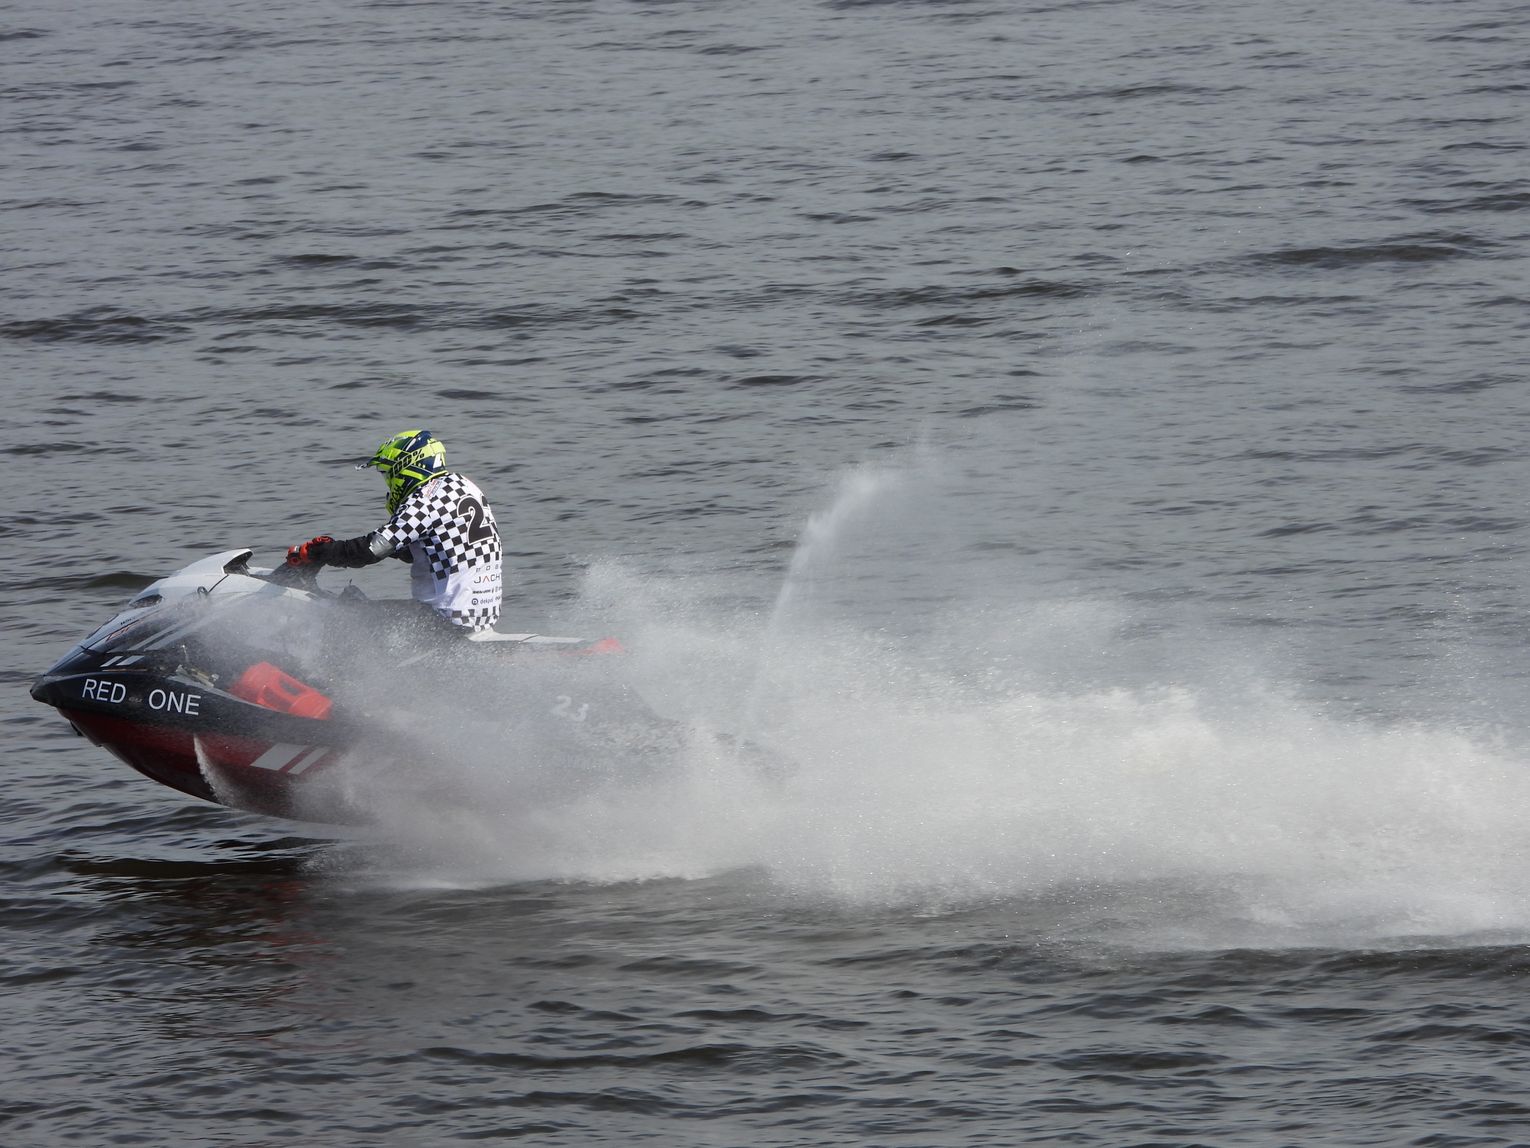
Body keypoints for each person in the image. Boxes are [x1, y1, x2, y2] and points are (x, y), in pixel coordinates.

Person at [285, 429, 503, 634]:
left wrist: (320, 552)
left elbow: (370, 550)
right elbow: (426, 550)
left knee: (349, 612)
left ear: (406, 467)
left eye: (388, 474)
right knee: (363, 607)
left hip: (445, 619)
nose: (388, 483)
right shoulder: (463, 485)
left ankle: (324, 664)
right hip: (480, 614)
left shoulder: (425, 499)